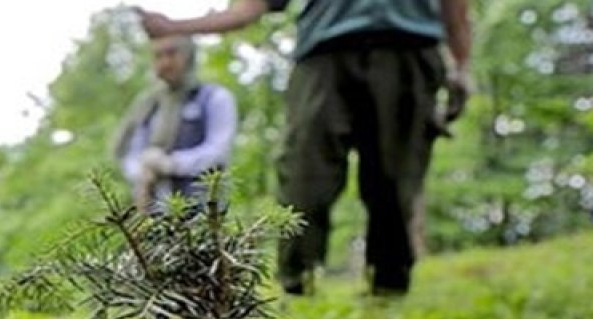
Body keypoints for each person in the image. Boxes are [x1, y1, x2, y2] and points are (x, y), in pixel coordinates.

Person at [137, 0, 471, 296]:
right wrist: (175, 27)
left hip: (410, 48)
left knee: (396, 176)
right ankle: (297, 282)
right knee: (304, 174)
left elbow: (455, 7)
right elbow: (249, 7)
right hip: (323, 56)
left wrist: (461, 66)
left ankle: (389, 285)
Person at [114, 34, 238, 214]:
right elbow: (130, 154)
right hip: (152, 213)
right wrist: (142, 170)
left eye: (172, 54)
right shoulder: (148, 106)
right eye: (158, 56)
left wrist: (171, 164)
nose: (165, 63)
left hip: (203, 214)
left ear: (188, 56)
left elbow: (218, 151)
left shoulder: (214, 98)